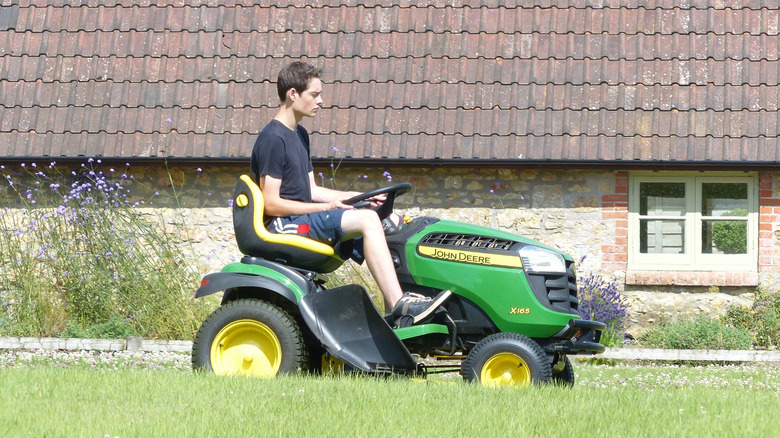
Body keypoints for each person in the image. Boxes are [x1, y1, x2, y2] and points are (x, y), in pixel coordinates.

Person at [250, 61, 450, 326]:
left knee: (389, 219)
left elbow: (311, 190)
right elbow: (272, 204)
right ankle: (400, 306)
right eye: (314, 94)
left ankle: (409, 307)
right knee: (367, 221)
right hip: (284, 226)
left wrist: (360, 197)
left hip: (304, 219)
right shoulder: (274, 139)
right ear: (293, 94)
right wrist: (326, 208)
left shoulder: (299, 135)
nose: (321, 101)